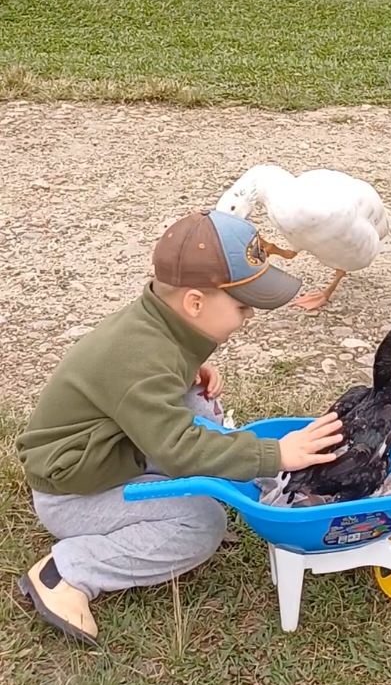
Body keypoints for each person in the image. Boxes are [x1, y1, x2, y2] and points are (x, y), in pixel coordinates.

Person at [17, 209, 343, 645]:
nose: (248, 316)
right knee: (199, 525)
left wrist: (188, 370)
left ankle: (278, 486)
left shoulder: (157, 327)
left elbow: (146, 377)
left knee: (198, 405)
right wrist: (274, 454)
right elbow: (178, 446)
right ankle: (67, 572)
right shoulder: (141, 358)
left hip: (111, 451)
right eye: (242, 305)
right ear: (194, 303)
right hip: (75, 492)